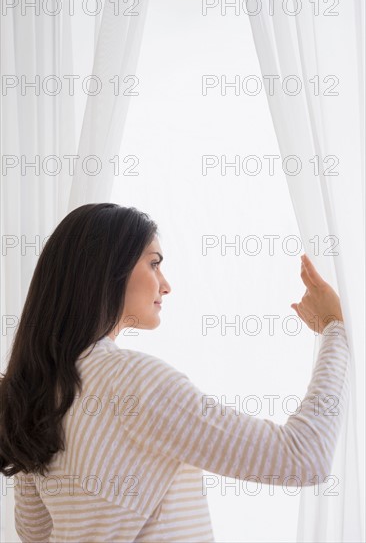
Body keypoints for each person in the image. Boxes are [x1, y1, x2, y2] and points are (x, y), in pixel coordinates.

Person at [0, 203, 350, 542]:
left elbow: (35, 533)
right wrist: (335, 329)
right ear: (107, 270)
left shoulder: (37, 390)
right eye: (153, 264)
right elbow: (304, 457)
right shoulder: (135, 382)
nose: (165, 285)